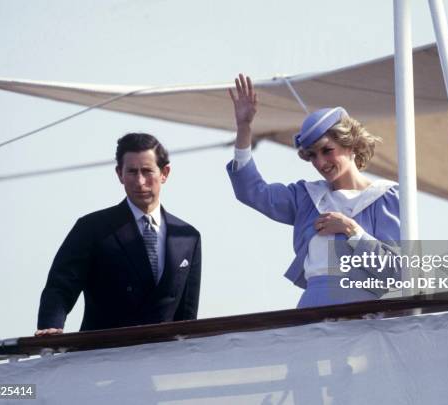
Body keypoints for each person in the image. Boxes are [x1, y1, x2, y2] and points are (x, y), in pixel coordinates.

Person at [227, 74, 400, 308]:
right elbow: (251, 192)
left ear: (351, 145)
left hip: (366, 317)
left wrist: (352, 230)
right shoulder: (306, 197)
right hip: (312, 308)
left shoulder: (386, 197)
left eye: (327, 150)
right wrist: (244, 127)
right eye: (312, 156)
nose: (320, 163)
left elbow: (397, 273)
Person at [36, 133, 201, 335]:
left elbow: (187, 313)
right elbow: (61, 285)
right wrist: (50, 326)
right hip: (104, 355)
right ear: (119, 174)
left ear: (164, 173)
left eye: (147, 171)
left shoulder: (187, 237)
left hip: (162, 358)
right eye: (132, 172)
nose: (140, 182)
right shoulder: (92, 228)